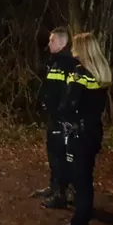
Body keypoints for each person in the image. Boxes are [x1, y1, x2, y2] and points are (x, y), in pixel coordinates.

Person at [56, 32, 111, 225]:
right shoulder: (99, 74)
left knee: (81, 182)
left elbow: (69, 105)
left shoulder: (80, 73)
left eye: (75, 46)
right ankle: (80, 223)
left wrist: (62, 116)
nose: (72, 50)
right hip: (94, 131)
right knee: (86, 179)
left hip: (79, 134)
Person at [33, 26, 78, 209]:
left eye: (52, 40)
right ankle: (54, 187)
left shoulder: (68, 63)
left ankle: (61, 194)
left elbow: (69, 93)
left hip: (61, 118)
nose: (49, 43)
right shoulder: (54, 61)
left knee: (61, 156)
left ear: (62, 42)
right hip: (53, 116)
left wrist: (62, 113)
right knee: (52, 153)